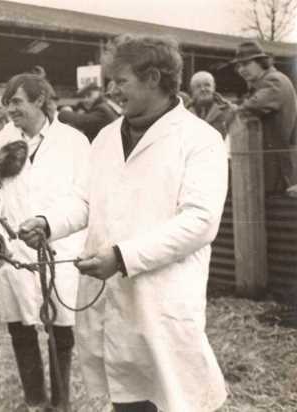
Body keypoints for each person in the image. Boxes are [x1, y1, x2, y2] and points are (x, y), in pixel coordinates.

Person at [18, 34, 228, 412]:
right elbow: (85, 200)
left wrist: (122, 256)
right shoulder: (105, 137)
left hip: (162, 299)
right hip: (111, 300)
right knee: (127, 398)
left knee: (176, 397)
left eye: (121, 81)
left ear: (153, 78)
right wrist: (48, 223)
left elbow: (200, 221)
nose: (113, 89)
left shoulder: (200, 140)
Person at [0, 72, 91, 411]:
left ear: (40, 100)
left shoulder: (74, 141)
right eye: (7, 103)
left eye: (16, 101)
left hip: (62, 246)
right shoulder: (0, 140)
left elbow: (84, 195)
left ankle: (60, 403)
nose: (9, 109)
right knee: (20, 326)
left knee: (61, 328)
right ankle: (34, 400)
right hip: (16, 251)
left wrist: (52, 226)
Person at [231, 40, 297, 195]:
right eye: (239, 66)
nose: (241, 70)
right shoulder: (264, 82)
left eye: (246, 64)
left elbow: (250, 107)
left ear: (261, 61)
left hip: (280, 171)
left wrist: (233, 109)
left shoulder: (274, 80)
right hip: (274, 169)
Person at [187, 71, 237, 139]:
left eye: (207, 85)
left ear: (214, 87)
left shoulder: (230, 110)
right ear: (192, 90)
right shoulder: (184, 112)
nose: (203, 89)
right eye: (198, 86)